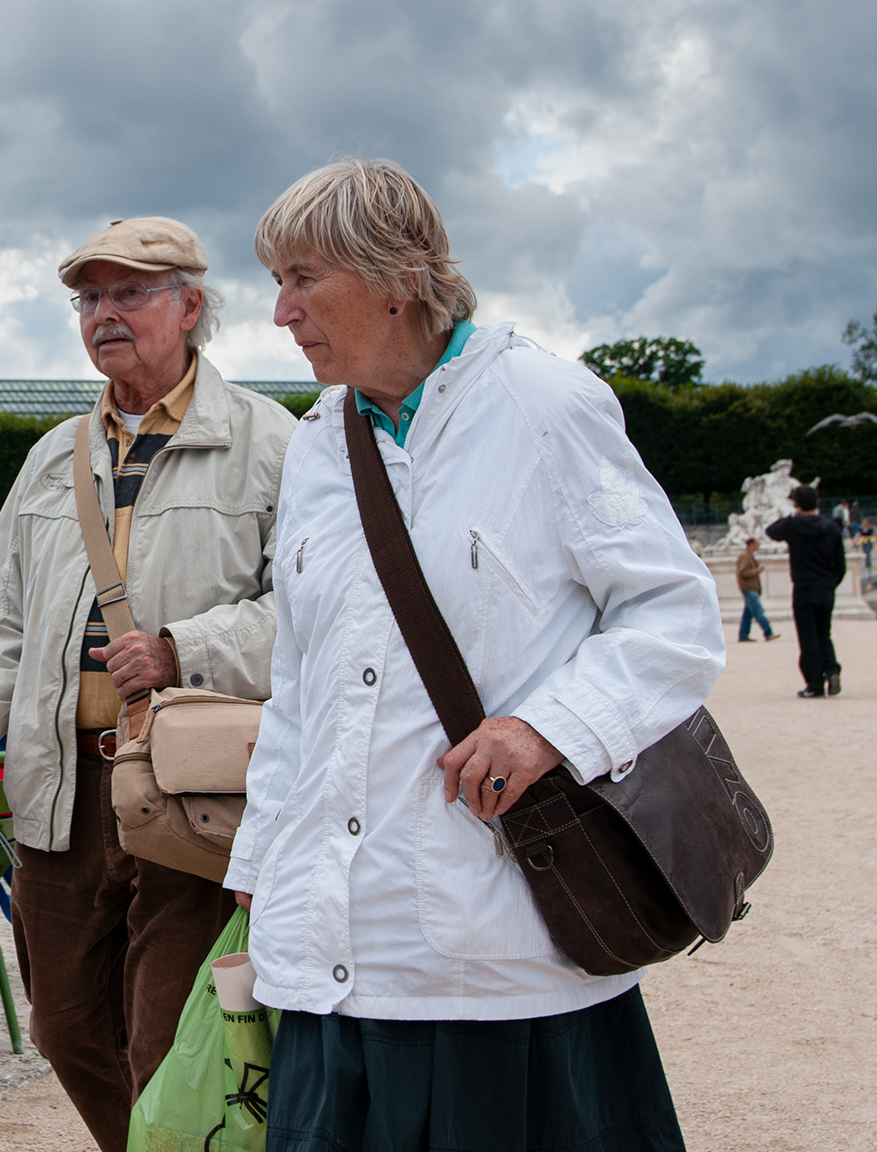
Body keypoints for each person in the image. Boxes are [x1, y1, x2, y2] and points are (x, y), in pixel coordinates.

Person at [230, 158, 723, 1151]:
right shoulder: (318, 443)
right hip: (331, 939)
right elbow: (300, 686)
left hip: (496, 940)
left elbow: (673, 618)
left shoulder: (545, 404)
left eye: (303, 278)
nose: (281, 313)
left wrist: (546, 728)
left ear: (398, 278)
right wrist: (262, 865)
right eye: (276, 282)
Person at [0, 215, 293, 1151]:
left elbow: (316, 612)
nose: (104, 313)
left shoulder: (271, 441)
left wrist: (185, 648)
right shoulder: (50, 457)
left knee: (165, 1033)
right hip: (59, 787)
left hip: (188, 788)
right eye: (89, 297)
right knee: (66, 1026)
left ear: (192, 306)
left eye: (131, 292)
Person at [767, 483, 847, 698]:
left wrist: (793, 516)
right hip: (826, 587)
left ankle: (814, 684)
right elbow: (841, 565)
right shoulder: (831, 527)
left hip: (803, 587)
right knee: (824, 633)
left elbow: (771, 531)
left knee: (808, 636)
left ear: (797, 504)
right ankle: (831, 670)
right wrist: (831, 583)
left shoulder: (794, 526)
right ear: (817, 503)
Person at [735, 536, 777, 642]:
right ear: (751, 544)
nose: (759, 546)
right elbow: (742, 572)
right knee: (758, 611)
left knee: (748, 614)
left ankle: (743, 635)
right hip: (749, 588)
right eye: (757, 544)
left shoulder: (748, 555)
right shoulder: (745, 556)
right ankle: (768, 632)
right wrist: (757, 571)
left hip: (749, 587)